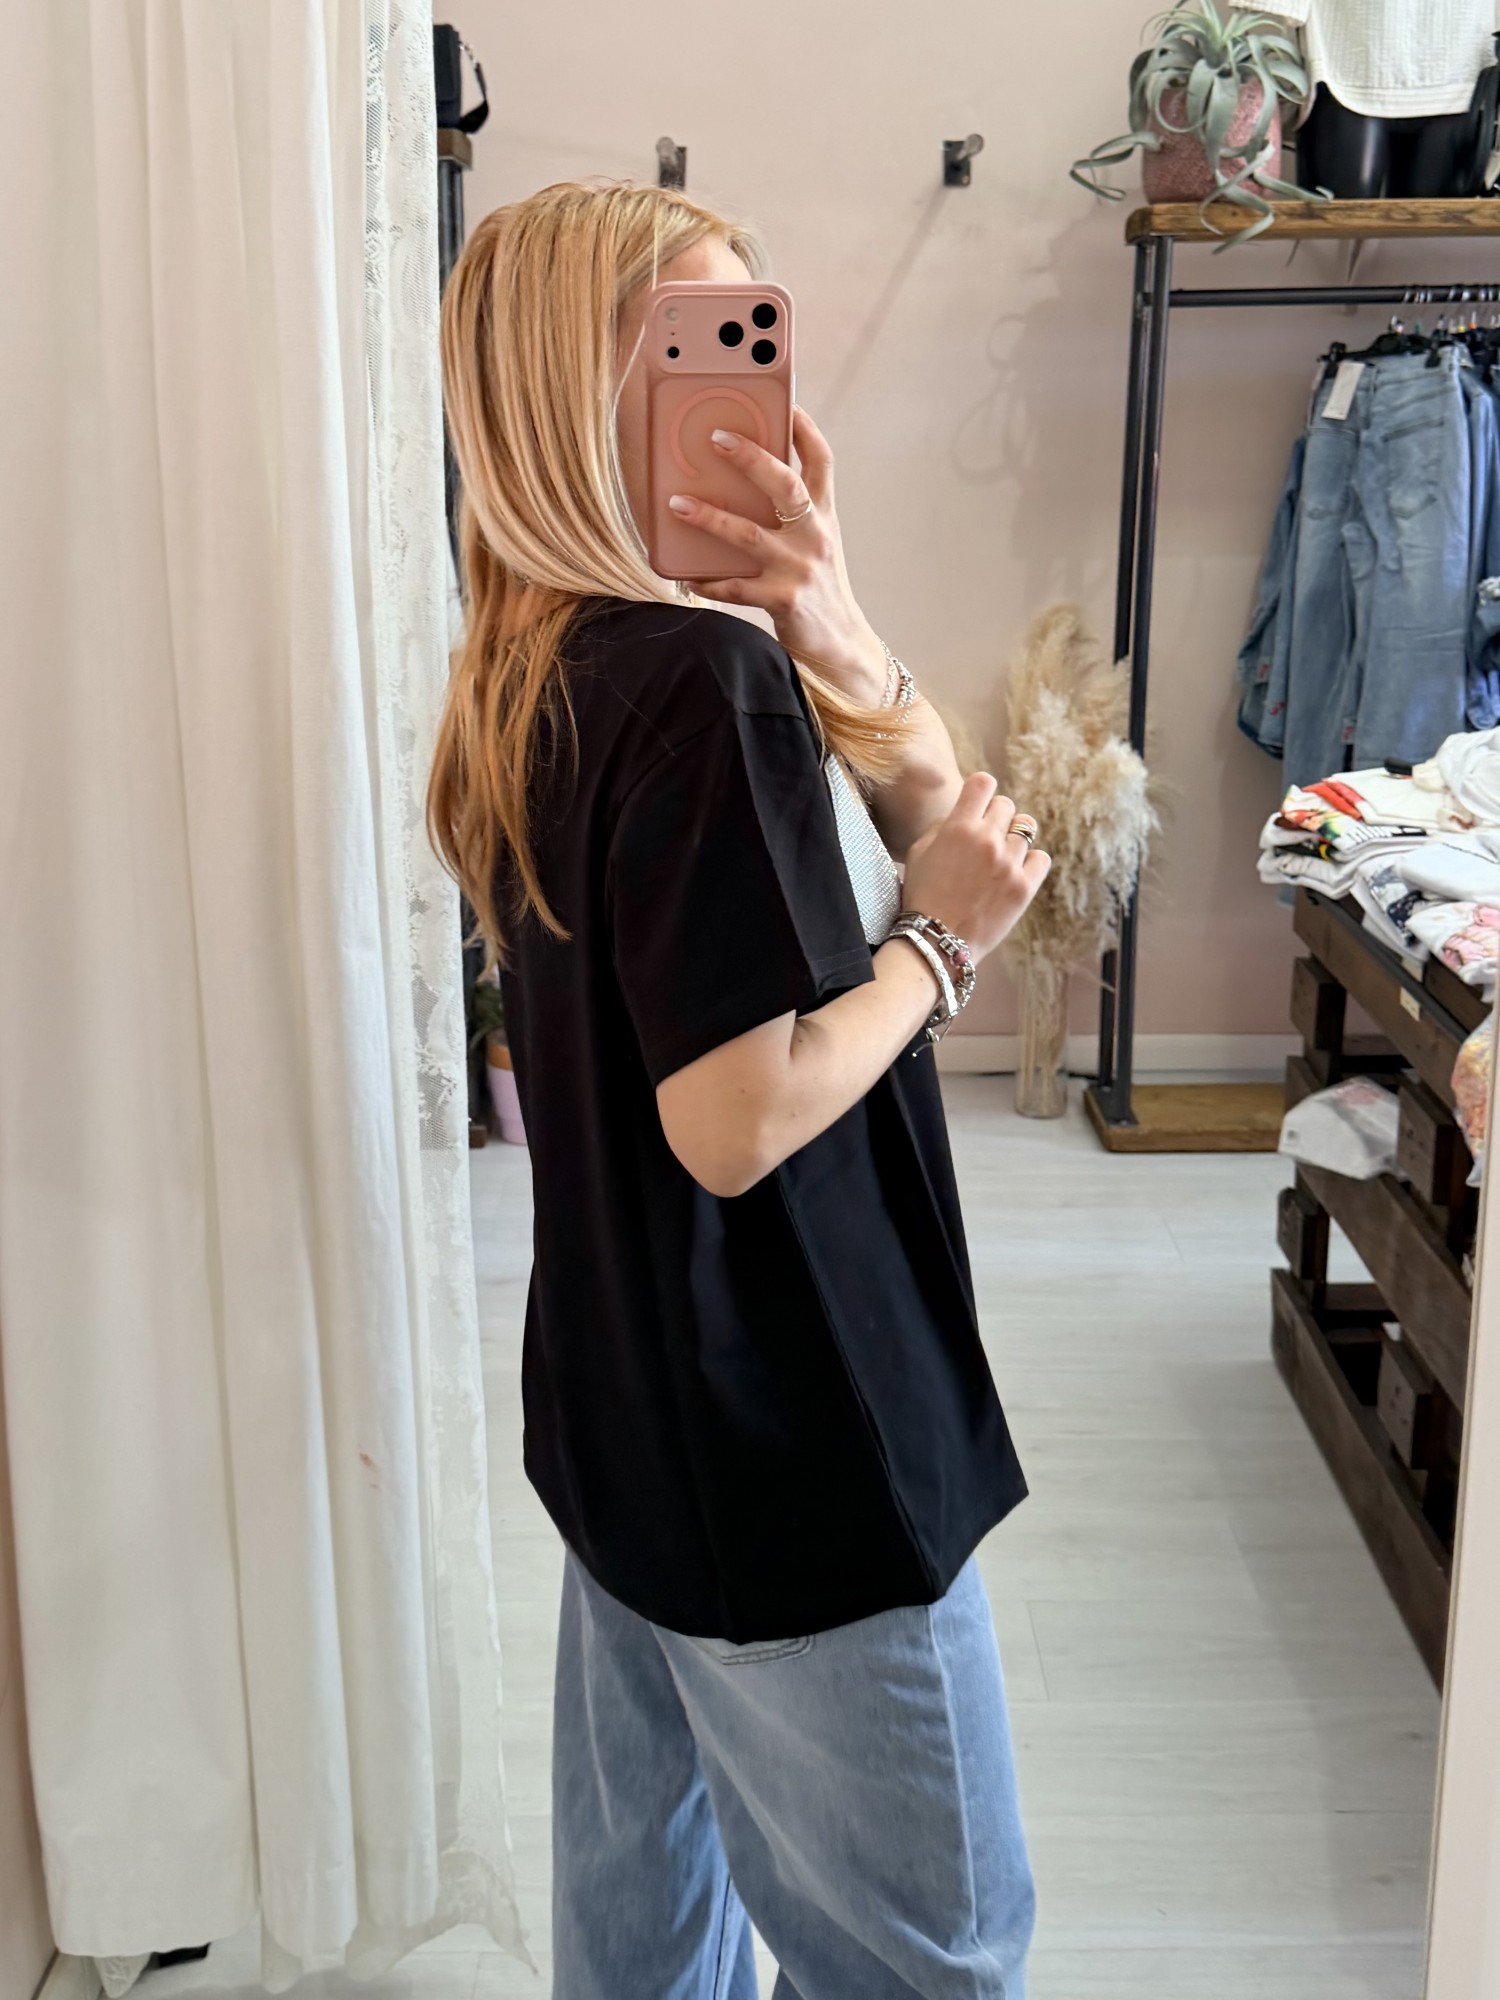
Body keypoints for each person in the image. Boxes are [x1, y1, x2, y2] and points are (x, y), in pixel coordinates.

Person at [430, 179, 1049, 2000]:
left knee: (653, 1939)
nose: (749, 396)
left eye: (751, 342)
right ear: (576, 397)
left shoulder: (537, 665)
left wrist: (832, 617)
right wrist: (937, 955)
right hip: (800, 1434)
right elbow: (736, 1116)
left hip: (633, 1411)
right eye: (697, 350)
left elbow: (935, 802)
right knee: (934, 1961)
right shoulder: (702, 683)